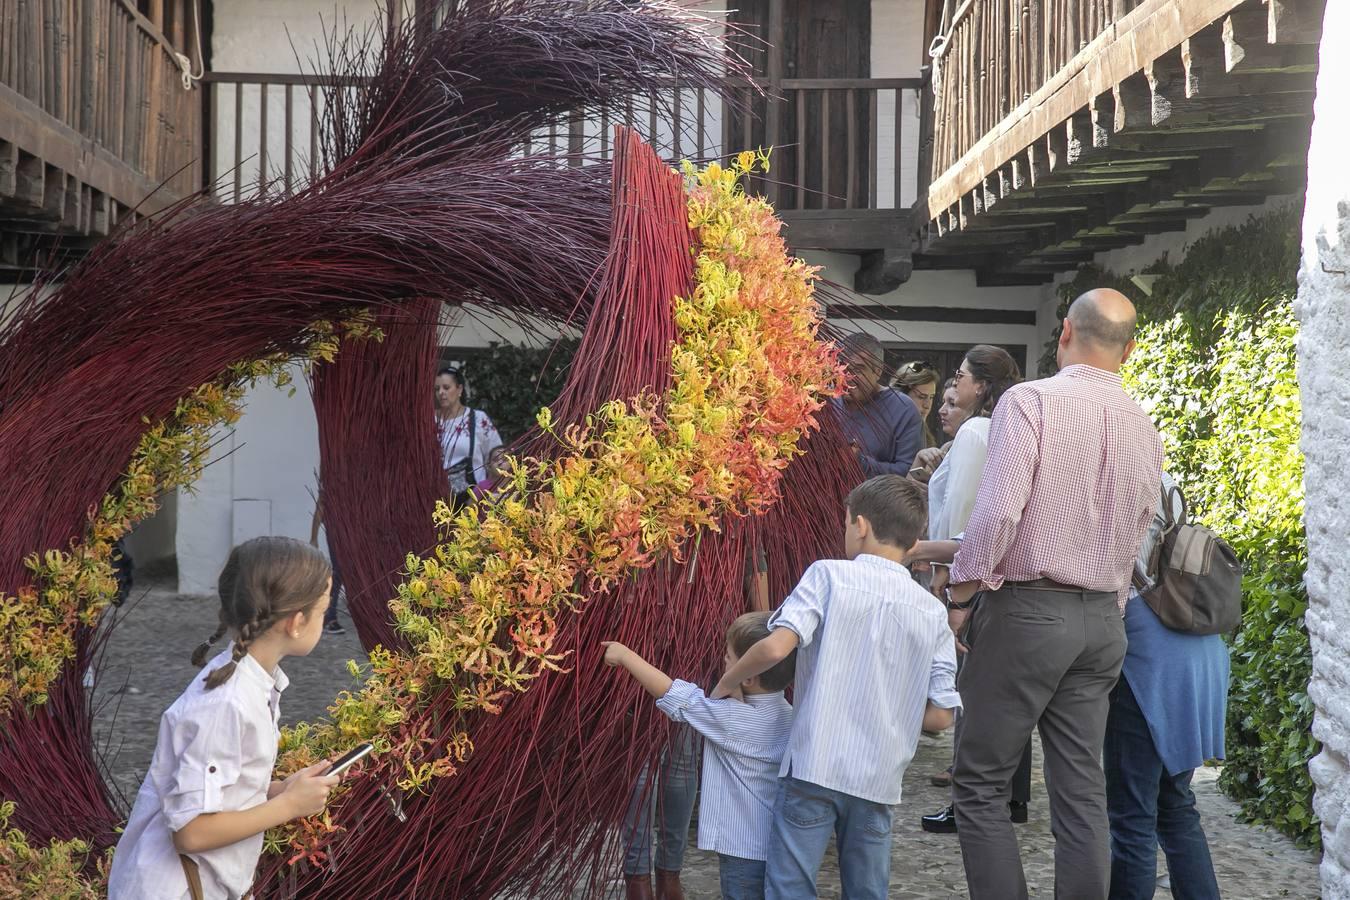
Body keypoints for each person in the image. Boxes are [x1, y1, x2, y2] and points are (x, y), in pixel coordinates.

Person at [945, 289, 1164, 900]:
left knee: (981, 782)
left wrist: (960, 597)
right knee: (1081, 791)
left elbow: (997, 515)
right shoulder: (1143, 424)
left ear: (1064, 331)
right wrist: (1112, 605)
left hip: (1029, 611)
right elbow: (1142, 526)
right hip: (1102, 621)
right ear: (1131, 348)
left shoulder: (1030, 401)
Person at [711, 475, 960, 899]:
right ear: (913, 541)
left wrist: (725, 683)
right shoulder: (932, 612)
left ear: (859, 525)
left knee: (791, 885)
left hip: (814, 767)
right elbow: (941, 716)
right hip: (879, 780)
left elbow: (773, 649)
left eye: (847, 524)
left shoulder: (827, 576)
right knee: (867, 890)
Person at [108, 537, 343, 900]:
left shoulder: (249, 681)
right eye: (325, 608)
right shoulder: (227, 704)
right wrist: (287, 806)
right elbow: (190, 831)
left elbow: (223, 789)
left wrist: (280, 789)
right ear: (296, 623)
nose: (326, 618)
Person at [914, 346, 1033, 831]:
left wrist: (944, 579)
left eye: (960, 376)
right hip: (996, 573)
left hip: (967, 573)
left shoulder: (977, 433)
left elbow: (961, 511)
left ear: (981, 386)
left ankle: (970, 801)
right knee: (1006, 695)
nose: (954, 383)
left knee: (974, 692)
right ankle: (1011, 798)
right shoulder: (1002, 432)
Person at [603, 612, 797, 900]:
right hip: (780, 845)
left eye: (730, 658)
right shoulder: (791, 716)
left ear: (750, 676)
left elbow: (678, 697)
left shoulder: (733, 719)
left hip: (741, 848)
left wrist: (626, 656)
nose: (725, 662)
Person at [1105, 473, 1227, 900]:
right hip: (1196, 654)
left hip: (1149, 661)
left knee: (1132, 817)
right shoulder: (1165, 481)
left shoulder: (1109, 482)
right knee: (1174, 806)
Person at [833, 334, 924, 481]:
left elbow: (910, 474)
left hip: (876, 503)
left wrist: (859, 462)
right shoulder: (827, 403)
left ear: (878, 371)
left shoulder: (903, 409)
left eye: (858, 369)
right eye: (842, 368)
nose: (847, 376)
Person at [435, 366, 502, 509]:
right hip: (435, 500)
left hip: (475, 501)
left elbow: (497, 456)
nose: (441, 393)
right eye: (437, 389)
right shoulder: (428, 421)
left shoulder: (478, 419)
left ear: (459, 389)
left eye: (446, 387)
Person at [891, 359, 941, 448]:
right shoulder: (883, 431)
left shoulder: (923, 433)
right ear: (901, 395)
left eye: (931, 397)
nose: (927, 405)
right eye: (921, 397)